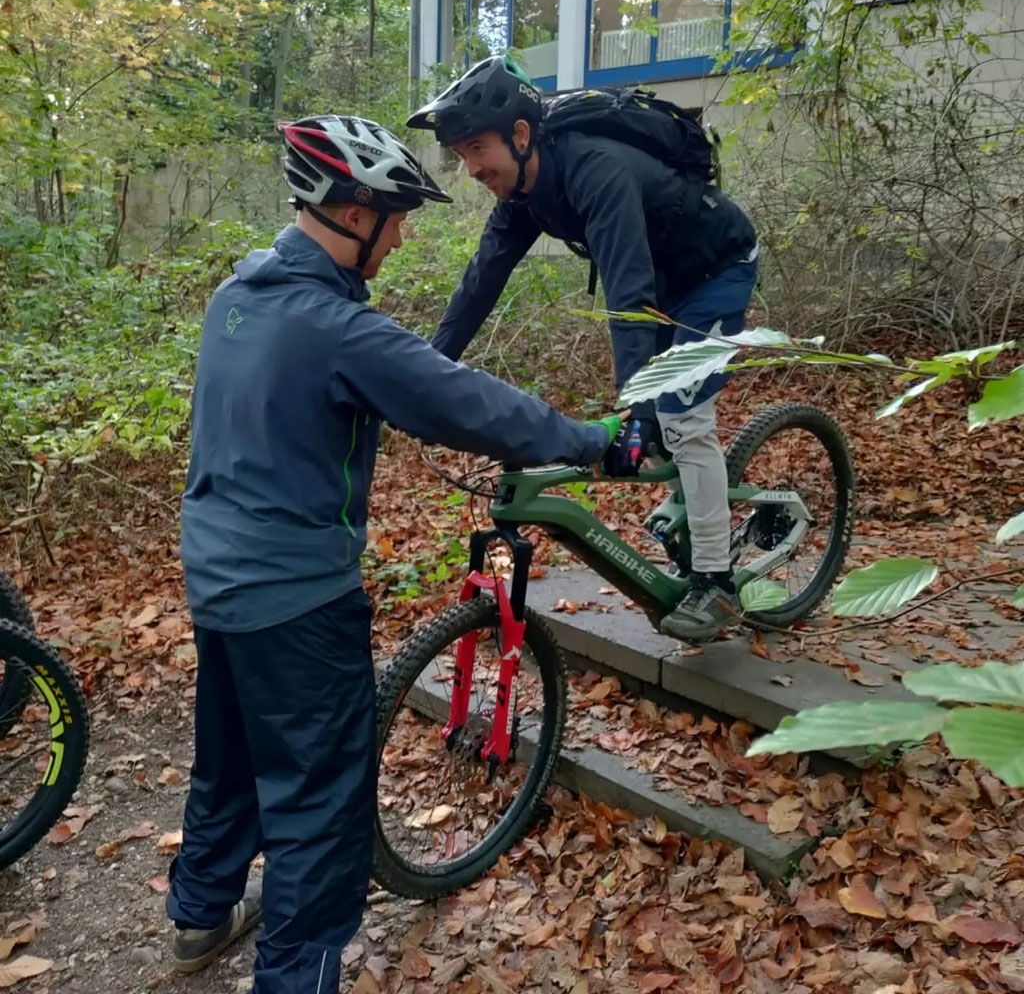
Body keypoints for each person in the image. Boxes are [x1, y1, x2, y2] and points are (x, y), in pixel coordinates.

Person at [166, 113, 628, 994]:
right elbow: (471, 405)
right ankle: (296, 979)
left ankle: (198, 915)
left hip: (217, 576)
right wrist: (595, 440)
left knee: (227, 755)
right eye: (396, 214)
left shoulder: (237, 298)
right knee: (318, 806)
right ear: (351, 212)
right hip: (297, 599)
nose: (403, 235)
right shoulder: (335, 328)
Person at [407, 56, 760, 642]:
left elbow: (629, 295)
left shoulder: (597, 168)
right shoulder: (523, 194)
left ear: (521, 135)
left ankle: (717, 583)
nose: (469, 168)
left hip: (716, 273)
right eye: (461, 154)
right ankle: (690, 506)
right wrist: (422, 370)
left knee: (678, 413)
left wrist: (636, 412)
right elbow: (480, 283)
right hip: (665, 282)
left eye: (475, 148)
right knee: (657, 413)